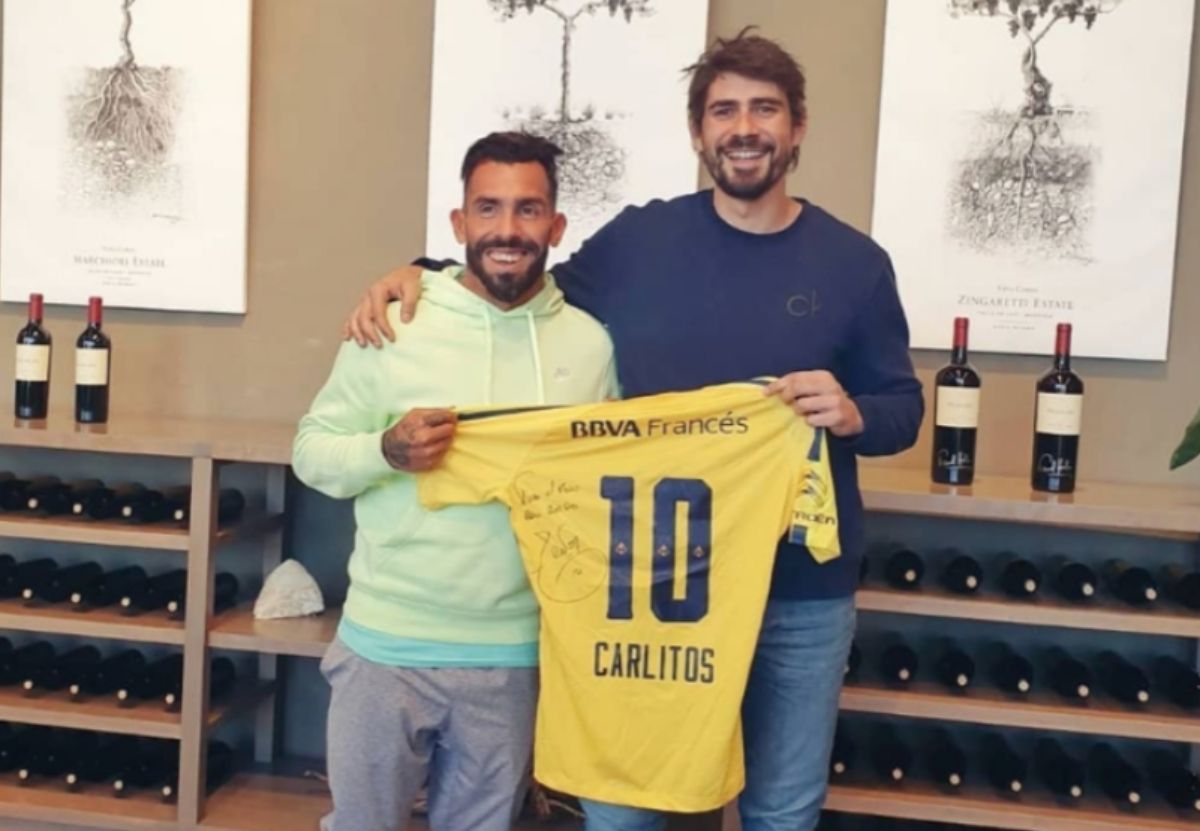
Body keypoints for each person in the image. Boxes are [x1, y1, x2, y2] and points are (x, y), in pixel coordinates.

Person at [345, 29, 923, 831]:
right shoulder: (639, 243)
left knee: (783, 810)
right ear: (698, 132)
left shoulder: (856, 264)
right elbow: (517, 277)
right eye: (724, 110)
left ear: (797, 128)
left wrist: (857, 412)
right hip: (650, 587)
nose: (744, 127)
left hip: (798, 590)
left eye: (765, 109)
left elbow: (903, 409)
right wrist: (423, 271)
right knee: (623, 810)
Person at [294, 131, 617, 831]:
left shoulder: (591, 346)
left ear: (557, 226)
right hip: (386, 646)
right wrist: (386, 449)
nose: (507, 230)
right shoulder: (393, 323)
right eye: (489, 208)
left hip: (514, 655)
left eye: (529, 210)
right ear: (458, 223)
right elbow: (311, 451)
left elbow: (606, 484)